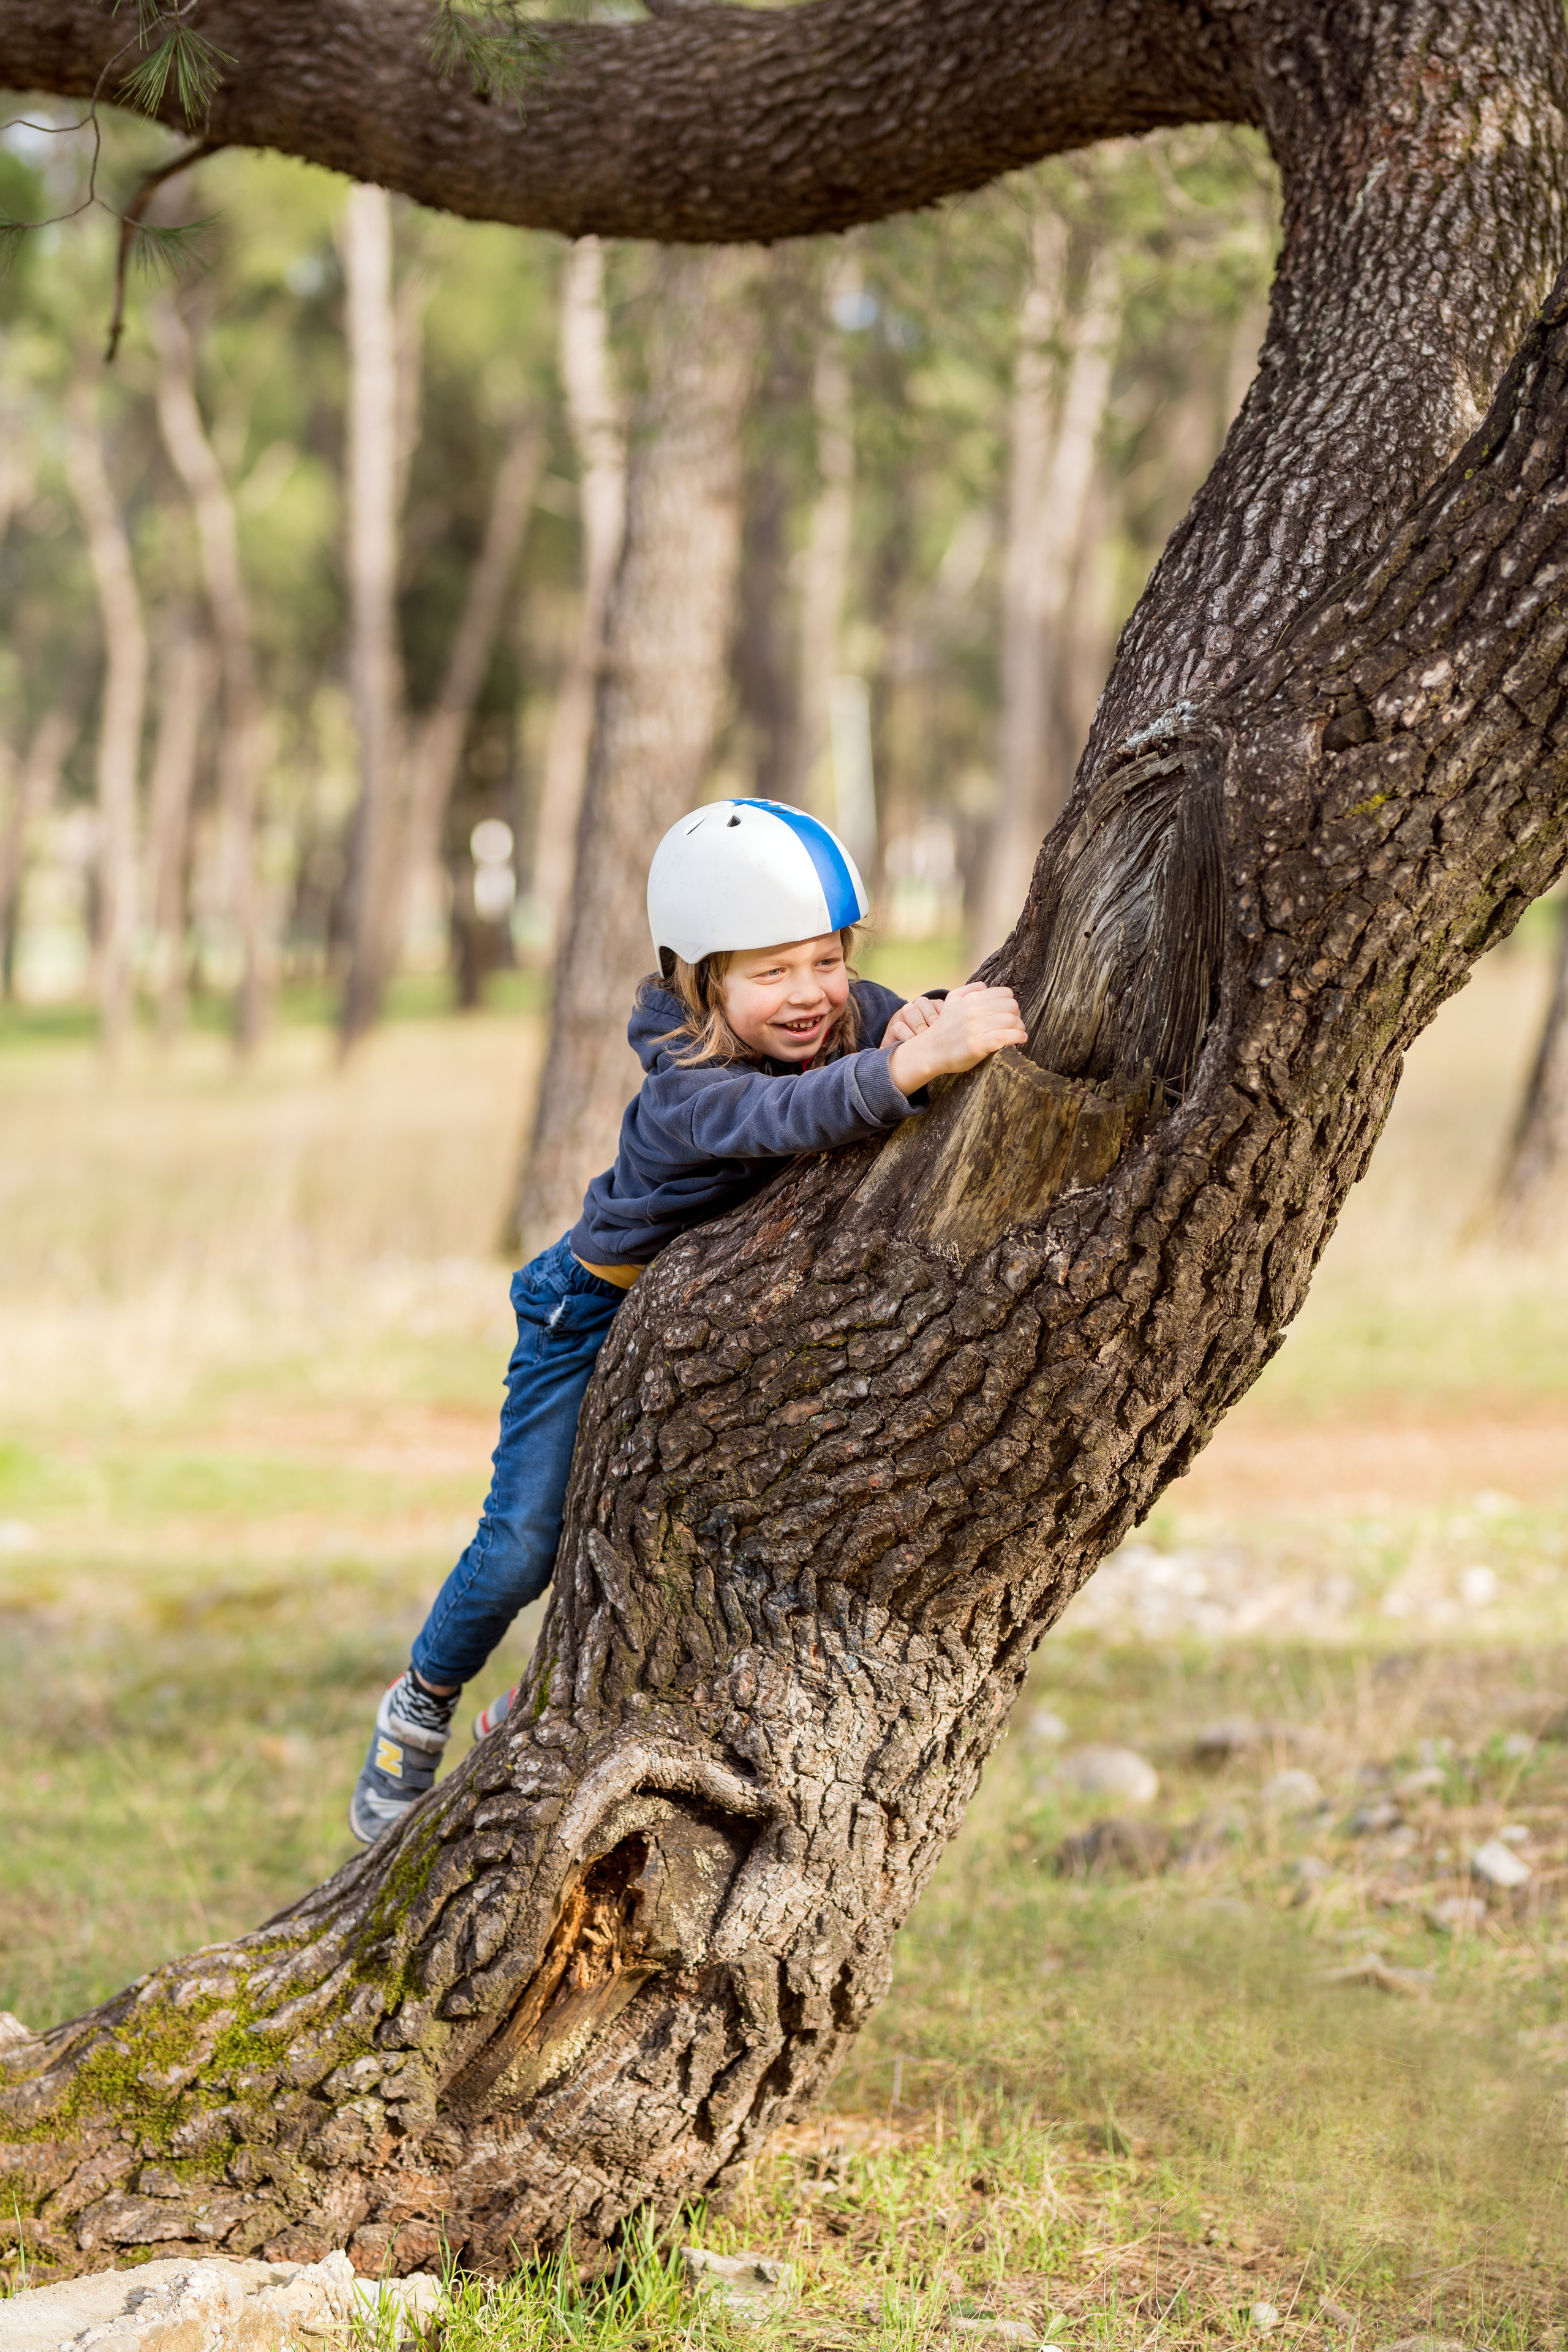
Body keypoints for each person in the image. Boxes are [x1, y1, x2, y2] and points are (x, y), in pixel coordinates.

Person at [349, 797, 1028, 1844]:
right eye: (771, 972)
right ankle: (424, 1697)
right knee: (529, 1535)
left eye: (826, 960)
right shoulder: (690, 1087)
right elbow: (780, 1117)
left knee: (665, 1535)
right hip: (587, 1310)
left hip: (706, 1333)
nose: (808, 996)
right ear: (700, 979)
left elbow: (891, 1015)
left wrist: (918, 1016)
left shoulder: (837, 1013)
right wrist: (905, 1068)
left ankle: (533, 1707)